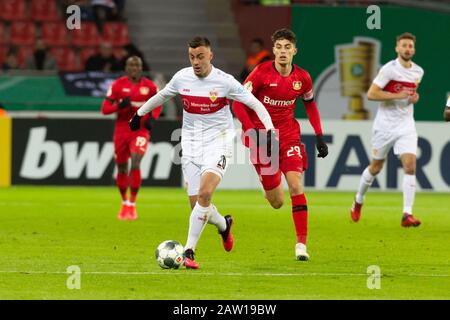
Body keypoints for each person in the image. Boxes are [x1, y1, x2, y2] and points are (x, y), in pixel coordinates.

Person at [129, 36, 275, 269]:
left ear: (210, 56)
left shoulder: (225, 82)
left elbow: (255, 103)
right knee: (198, 204)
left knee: (205, 194)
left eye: (200, 56)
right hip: (190, 144)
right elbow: (162, 96)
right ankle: (224, 225)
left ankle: (189, 252)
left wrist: (269, 129)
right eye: (191, 57)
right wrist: (139, 114)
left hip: (219, 142)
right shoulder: (181, 78)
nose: (196, 62)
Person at [232, 28, 328, 261]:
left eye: (287, 47)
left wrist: (318, 135)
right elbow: (238, 104)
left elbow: (311, 105)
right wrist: (253, 131)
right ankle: (268, 187)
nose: (283, 52)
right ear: (273, 50)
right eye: (278, 47)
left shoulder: (302, 78)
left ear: (294, 50)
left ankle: (301, 245)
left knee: (296, 186)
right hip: (261, 140)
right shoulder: (260, 74)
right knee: (277, 202)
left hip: (288, 136)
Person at [350, 32, 424, 227]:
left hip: (406, 126)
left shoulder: (418, 72)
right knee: (375, 168)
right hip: (384, 126)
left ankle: (407, 214)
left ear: (413, 50)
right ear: (397, 48)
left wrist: (412, 98)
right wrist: (397, 95)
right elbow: (371, 94)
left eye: (410, 46)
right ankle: (358, 200)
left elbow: (409, 95)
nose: (408, 49)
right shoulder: (389, 70)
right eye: (404, 45)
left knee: (410, 165)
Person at [101, 56, 162, 220]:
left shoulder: (150, 86)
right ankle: (124, 202)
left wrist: (152, 118)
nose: (134, 67)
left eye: (137, 65)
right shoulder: (117, 85)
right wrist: (119, 106)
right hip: (121, 130)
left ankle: (132, 205)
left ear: (141, 68)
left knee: (135, 162)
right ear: (126, 68)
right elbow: (105, 109)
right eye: (131, 65)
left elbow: (159, 103)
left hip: (140, 130)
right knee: (121, 167)